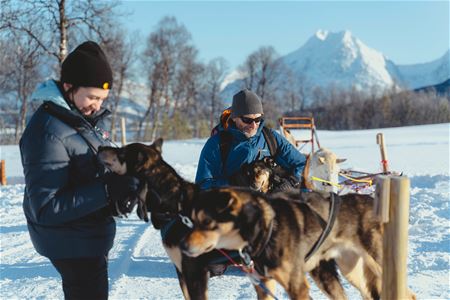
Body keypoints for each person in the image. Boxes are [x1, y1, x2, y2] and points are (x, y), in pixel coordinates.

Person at [20, 41, 139, 300]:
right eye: (93, 97)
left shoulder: (80, 122)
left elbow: (86, 176)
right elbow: (47, 208)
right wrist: (107, 191)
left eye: (102, 99)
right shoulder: (47, 132)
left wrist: (116, 197)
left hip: (85, 238)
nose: (97, 105)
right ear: (68, 87)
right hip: (72, 245)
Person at [195, 89, 306, 191]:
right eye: (247, 120)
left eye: (257, 119)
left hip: (268, 204)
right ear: (234, 118)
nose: (253, 125)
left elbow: (301, 163)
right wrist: (233, 183)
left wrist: (291, 181)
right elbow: (202, 184)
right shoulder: (217, 144)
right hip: (234, 205)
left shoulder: (270, 138)